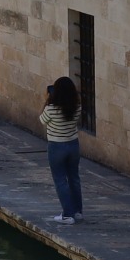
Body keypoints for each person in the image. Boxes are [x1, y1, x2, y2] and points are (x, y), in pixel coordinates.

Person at [40, 76, 84, 221]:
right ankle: (77, 211)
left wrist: (47, 100)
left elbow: (42, 120)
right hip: (73, 145)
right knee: (74, 178)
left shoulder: (51, 109)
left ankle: (67, 214)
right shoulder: (77, 107)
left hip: (56, 146)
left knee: (60, 180)